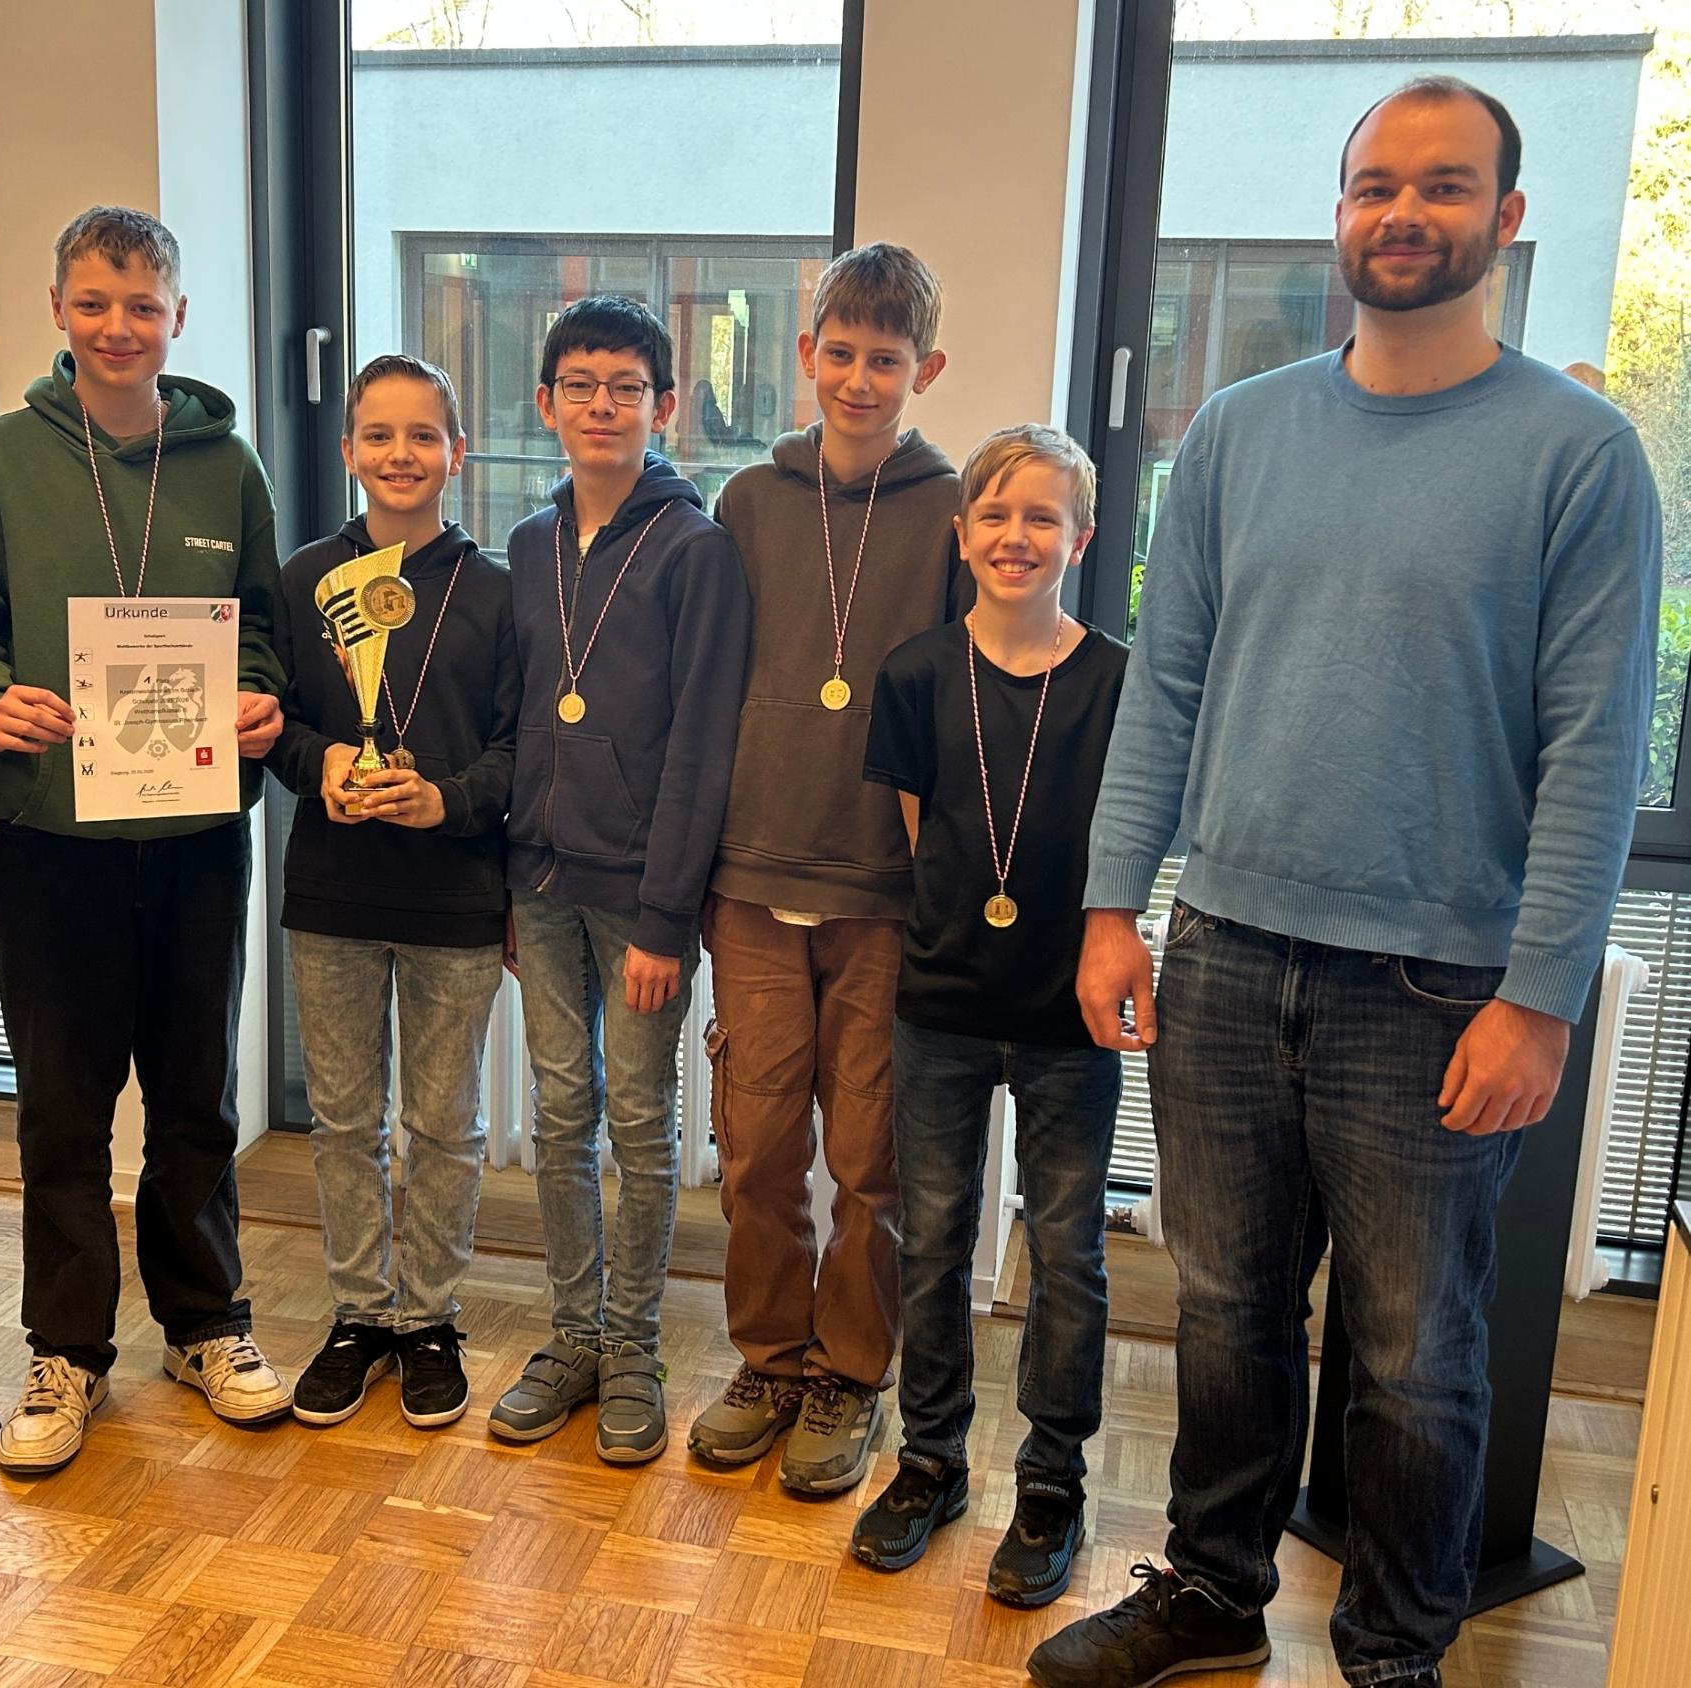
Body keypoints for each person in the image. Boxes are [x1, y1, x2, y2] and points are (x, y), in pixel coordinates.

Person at [1030, 78, 1662, 1688]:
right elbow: (1165, 686)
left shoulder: (1579, 459)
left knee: (1412, 1357)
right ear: (1337, 214)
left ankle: (1393, 1651)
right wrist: (1116, 905)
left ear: (1505, 219)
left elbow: (1595, 750)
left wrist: (1536, 1001)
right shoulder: (1242, 429)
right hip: (1227, 956)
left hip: (1437, 987)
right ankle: (1209, 1591)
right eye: (1373, 185)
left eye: (1442, 187)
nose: (1402, 213)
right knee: (1229, 1311)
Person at [0, 206, 291, 1476]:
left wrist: (254, 693)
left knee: (197, 1091)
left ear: (178, 318)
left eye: (143, 305)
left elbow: (259, 625)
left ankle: (205, 1324)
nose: (119, 327)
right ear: (57, 310)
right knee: (64, 1108)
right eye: (95, 302)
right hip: (52, 835)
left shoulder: (225, 468)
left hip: (194, 833)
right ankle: (66, 1349)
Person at [688, 241, 961, 1498]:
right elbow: (702, 699)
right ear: (806, 355)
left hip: (881, 894)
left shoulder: (953, 509)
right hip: (750, 876)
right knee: (755, 1146)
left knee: (869, 1157)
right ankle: (770, 1356)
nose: (859, 378)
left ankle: (850, 1371)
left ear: (925, 368)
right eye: (839, 353)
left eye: (886, 359)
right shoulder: (746, 500)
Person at [853, 425, 1125, 1604]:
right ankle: (929, 1460)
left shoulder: (1117, 681)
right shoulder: (915, 673)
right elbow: (927, 835)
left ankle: (1053, 1479)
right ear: (962, 533)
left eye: (1043, 516)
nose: (1018, 536)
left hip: (1072, 1014)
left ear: (1084, 534)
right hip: (945, 1002)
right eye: (997, 514)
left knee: (1067, 1251)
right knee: (934, 1239)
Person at [486, 295, 752, 1463]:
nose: (603, 405)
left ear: (665, 405)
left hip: (639, 899)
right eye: (581, 384)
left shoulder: (697, 551)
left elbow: (703, 747)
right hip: (540, 885)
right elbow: (523, 715)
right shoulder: (530, 544)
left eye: (627, 387)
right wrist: (506, 871)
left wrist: (666, 918)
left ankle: (635, 1342)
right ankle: (575, 1334)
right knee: (558, 1113)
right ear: (545, 403)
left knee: (641, 1124)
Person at [270, 354, 519, 1430]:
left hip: (456, 896)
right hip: (332, 892)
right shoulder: (301, 577)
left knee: (445, 1123)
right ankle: (361, 1310)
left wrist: (448, 802)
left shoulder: (499, 590)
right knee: (343, 1120)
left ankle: (428, 1314)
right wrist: (319, 761)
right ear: (349, 451)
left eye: (424, 436)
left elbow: (520, 749)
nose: (402, 455)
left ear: (456, 454)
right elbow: (270, 718)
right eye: (381, 435)